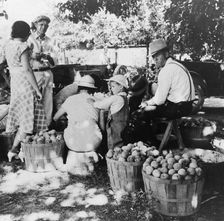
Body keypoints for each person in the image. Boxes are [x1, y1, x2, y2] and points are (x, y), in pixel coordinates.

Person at [0, 21, 47, 161]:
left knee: (23, 118)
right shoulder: (23, 46)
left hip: (15, 84)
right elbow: (27, 69)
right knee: (28, 118)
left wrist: (8, 80)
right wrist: (37, 90)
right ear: (25, 33)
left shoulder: (7, 45)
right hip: (26, 85)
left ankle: (21, 150)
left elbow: (1, 65)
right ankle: (15, 150)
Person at [53, 75, 102, 175]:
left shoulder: (70, 100)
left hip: (72, 143)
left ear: (79, 88)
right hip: (93, 142)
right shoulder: (97, 101)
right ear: (92, 89)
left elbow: (55, 118)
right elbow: (102, 125)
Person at [139, 38, 195, 119]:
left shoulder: (166, 70)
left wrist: (147, 103)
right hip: (188, 106)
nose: (155, 59)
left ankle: (153, 131)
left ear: (166, 54)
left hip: (178, 108)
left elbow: (160, 100)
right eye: (153, 56)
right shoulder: (177, 65)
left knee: (142, 113)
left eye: (158, 55)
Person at [27, 15, 55, 126]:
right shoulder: (29, 39)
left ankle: (46, 126)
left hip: (47, 73)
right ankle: (31, 127)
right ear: (35, 25)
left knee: (48, 100)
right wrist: (32, 56)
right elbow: (22, 58)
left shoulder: (50, 41)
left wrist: (47, 57)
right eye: (41, 25)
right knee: (33, 99)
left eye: (46, 25)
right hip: (35, 73)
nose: (44, 27)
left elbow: (55, 61)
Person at [94, 74, 129, 150]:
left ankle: (111, 159)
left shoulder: (116, 98)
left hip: (115, 127)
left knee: (113, 146)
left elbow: (101, 105)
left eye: (113, 87)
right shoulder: (125, 97)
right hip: (123, 125)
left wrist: (93, 102)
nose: (111, 89)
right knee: (121, 145)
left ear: (121, 87)